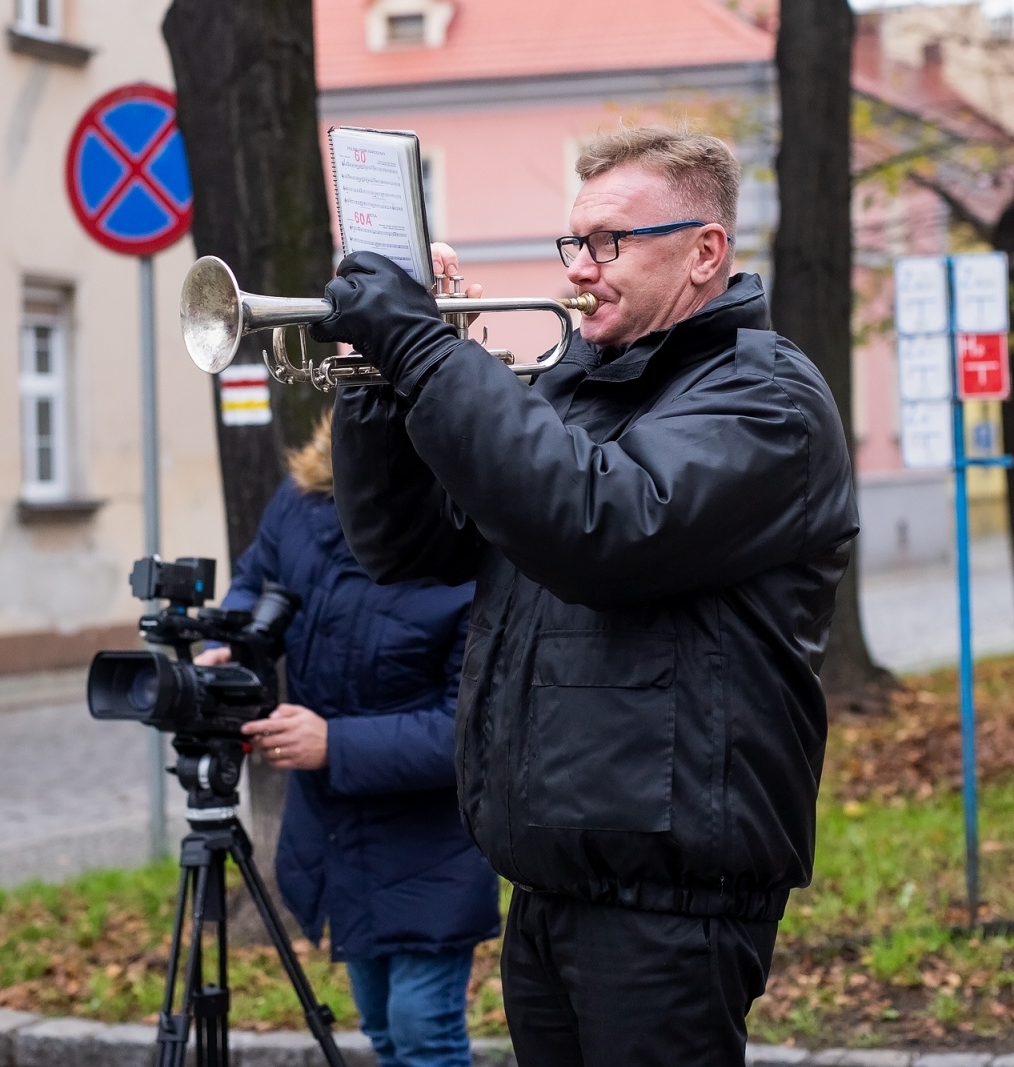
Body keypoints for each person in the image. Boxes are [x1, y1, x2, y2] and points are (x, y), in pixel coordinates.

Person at [311, 126, 860, 1067]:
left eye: (611, 242)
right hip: (552, 880)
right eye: (575, 243)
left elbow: (603, 526)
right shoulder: (577, 386)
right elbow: (405, 546)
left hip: (669, 903)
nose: (581, 270)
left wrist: (427, 354)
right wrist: (380, 382)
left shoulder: (767, 400)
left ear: (704, 252)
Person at [196, 413, 499, 1067]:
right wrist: (231, 641)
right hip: (340, 824)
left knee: (424, 1032)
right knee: (386, 1030)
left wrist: (335, 742)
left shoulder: (470, 525)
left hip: (432, 837)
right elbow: (258, 578)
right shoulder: (303, 496)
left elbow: (470, 727)